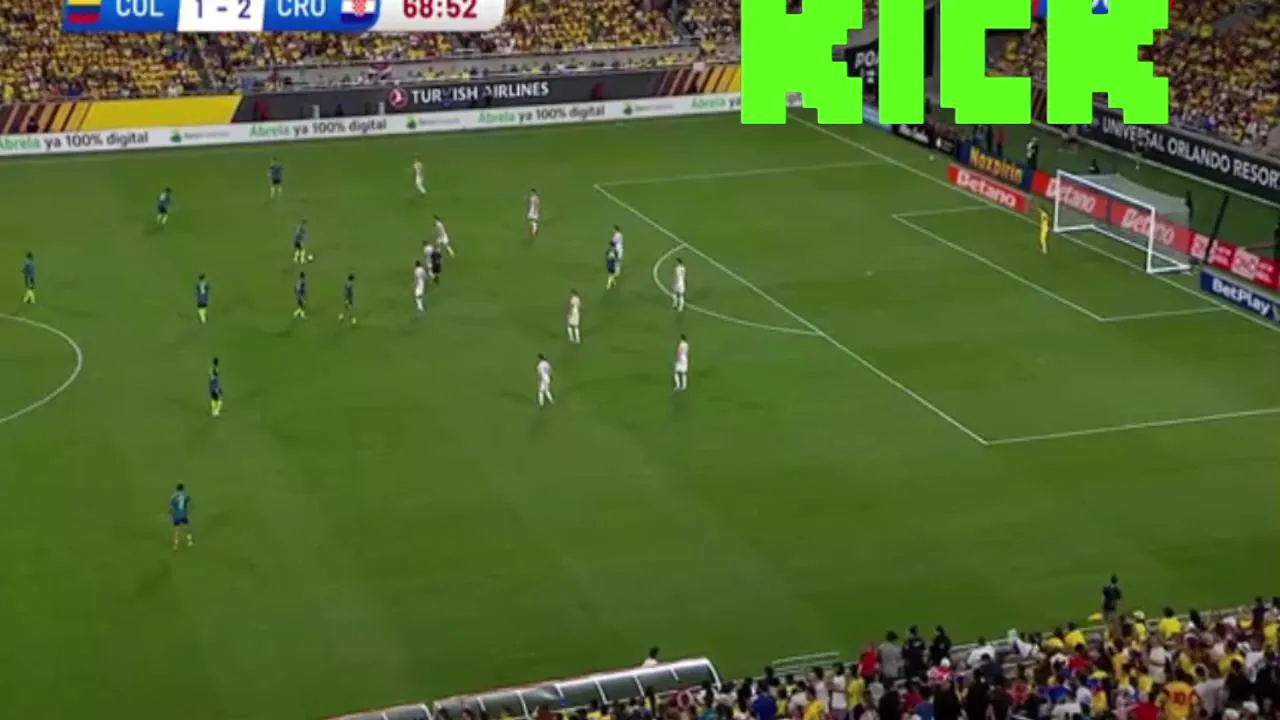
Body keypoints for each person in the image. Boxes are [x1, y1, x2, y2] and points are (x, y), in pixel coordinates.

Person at [170, 483, 192, 550]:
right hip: (183, 515)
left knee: (177, 530)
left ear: (177, 488)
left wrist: (170, 515)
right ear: (182, 488)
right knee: (186, 527)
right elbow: (186, 502)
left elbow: (171, 508)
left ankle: (175, 546)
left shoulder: (173, 496)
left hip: (176, 516)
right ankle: (190, 542)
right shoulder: (185, 495)